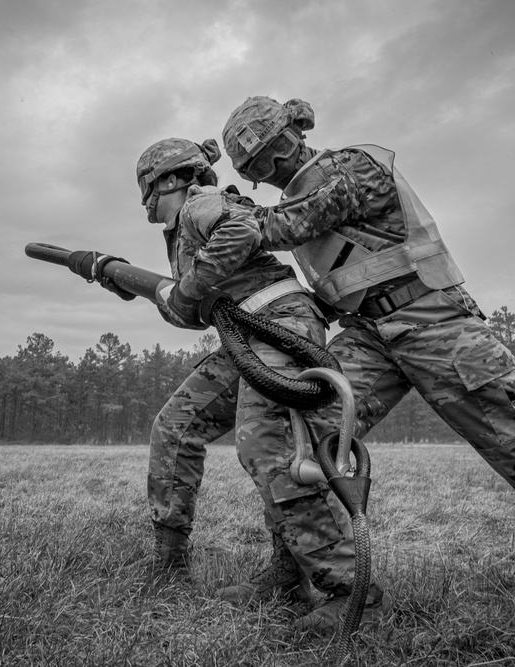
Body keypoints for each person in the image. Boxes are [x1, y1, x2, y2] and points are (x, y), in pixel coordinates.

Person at [220, 96, 515, 638]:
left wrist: (219, 215)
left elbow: (296, 221)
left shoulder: (351, 167)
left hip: (438, 323)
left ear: (296, 133)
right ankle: (324, 583)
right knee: (286, 437)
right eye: (255, 168)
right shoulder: (288, 203)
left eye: (274, 151)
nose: (271, 169)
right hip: (369, 336)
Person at [129, 136, 388, 631]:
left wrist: (184, 290)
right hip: (245, 333)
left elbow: (239, 230)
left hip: (280, 324)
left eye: (147, 189)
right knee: (176, 427)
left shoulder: (201, 204)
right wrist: (154, 292)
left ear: (166, 180)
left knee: (268, 443)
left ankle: (352, 593)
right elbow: (200, 306)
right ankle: (181, 569)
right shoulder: (185, 228)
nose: (146, 202)